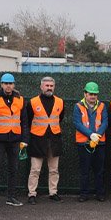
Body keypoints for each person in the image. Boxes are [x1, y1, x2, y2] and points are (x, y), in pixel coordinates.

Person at [22, 76, 65, 204]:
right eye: (47, 86)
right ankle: (32, 194)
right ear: (41, 87)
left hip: (54, 140)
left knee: (54, 170)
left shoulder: (60, 102)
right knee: (35, 170)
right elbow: (28, 120)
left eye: (51, 86)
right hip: (37, 140)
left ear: (54, 87)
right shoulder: (32, 102)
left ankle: (53, 193)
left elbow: (60, 118)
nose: (49, 88)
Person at [0, 72, 26, 209]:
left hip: (14, 139)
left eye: (10, 83)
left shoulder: (20, 99)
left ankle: (11, 197)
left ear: (14, 85)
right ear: (1, 84)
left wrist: (24, 140)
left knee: (13, 169)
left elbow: (24, 121)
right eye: (5, 83)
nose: (8, 86)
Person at [73, 82, 108, 202]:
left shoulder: (102, 106)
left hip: (99, 143)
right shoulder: (78, 106)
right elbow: (77, 123)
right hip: (83, 143)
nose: (93, 96)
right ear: (85, 94)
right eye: (90, 94)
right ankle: (84, 194)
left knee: (100, 170)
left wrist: (97, 136)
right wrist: (90, 134)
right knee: (84, 170)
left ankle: (100, 193)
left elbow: (105, 122)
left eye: (95, 94)